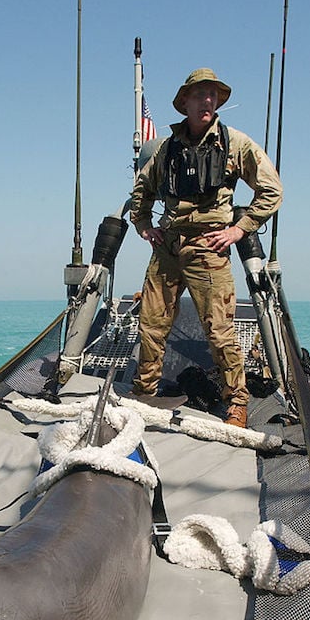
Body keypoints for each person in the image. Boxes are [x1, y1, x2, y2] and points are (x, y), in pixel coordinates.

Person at [130, 68, 283, 428]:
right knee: (151, 325)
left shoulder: (235, 144)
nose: (208, 100)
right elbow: (142, 190)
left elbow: (271, 191)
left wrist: (238, 230)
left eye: (213, 95)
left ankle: (236, 403)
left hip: (209, 249)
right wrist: (143, 226)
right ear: (184, 103)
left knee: (219, 331)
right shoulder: (166, 149)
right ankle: (144, 393)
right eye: (200, 94)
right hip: (168, 247)